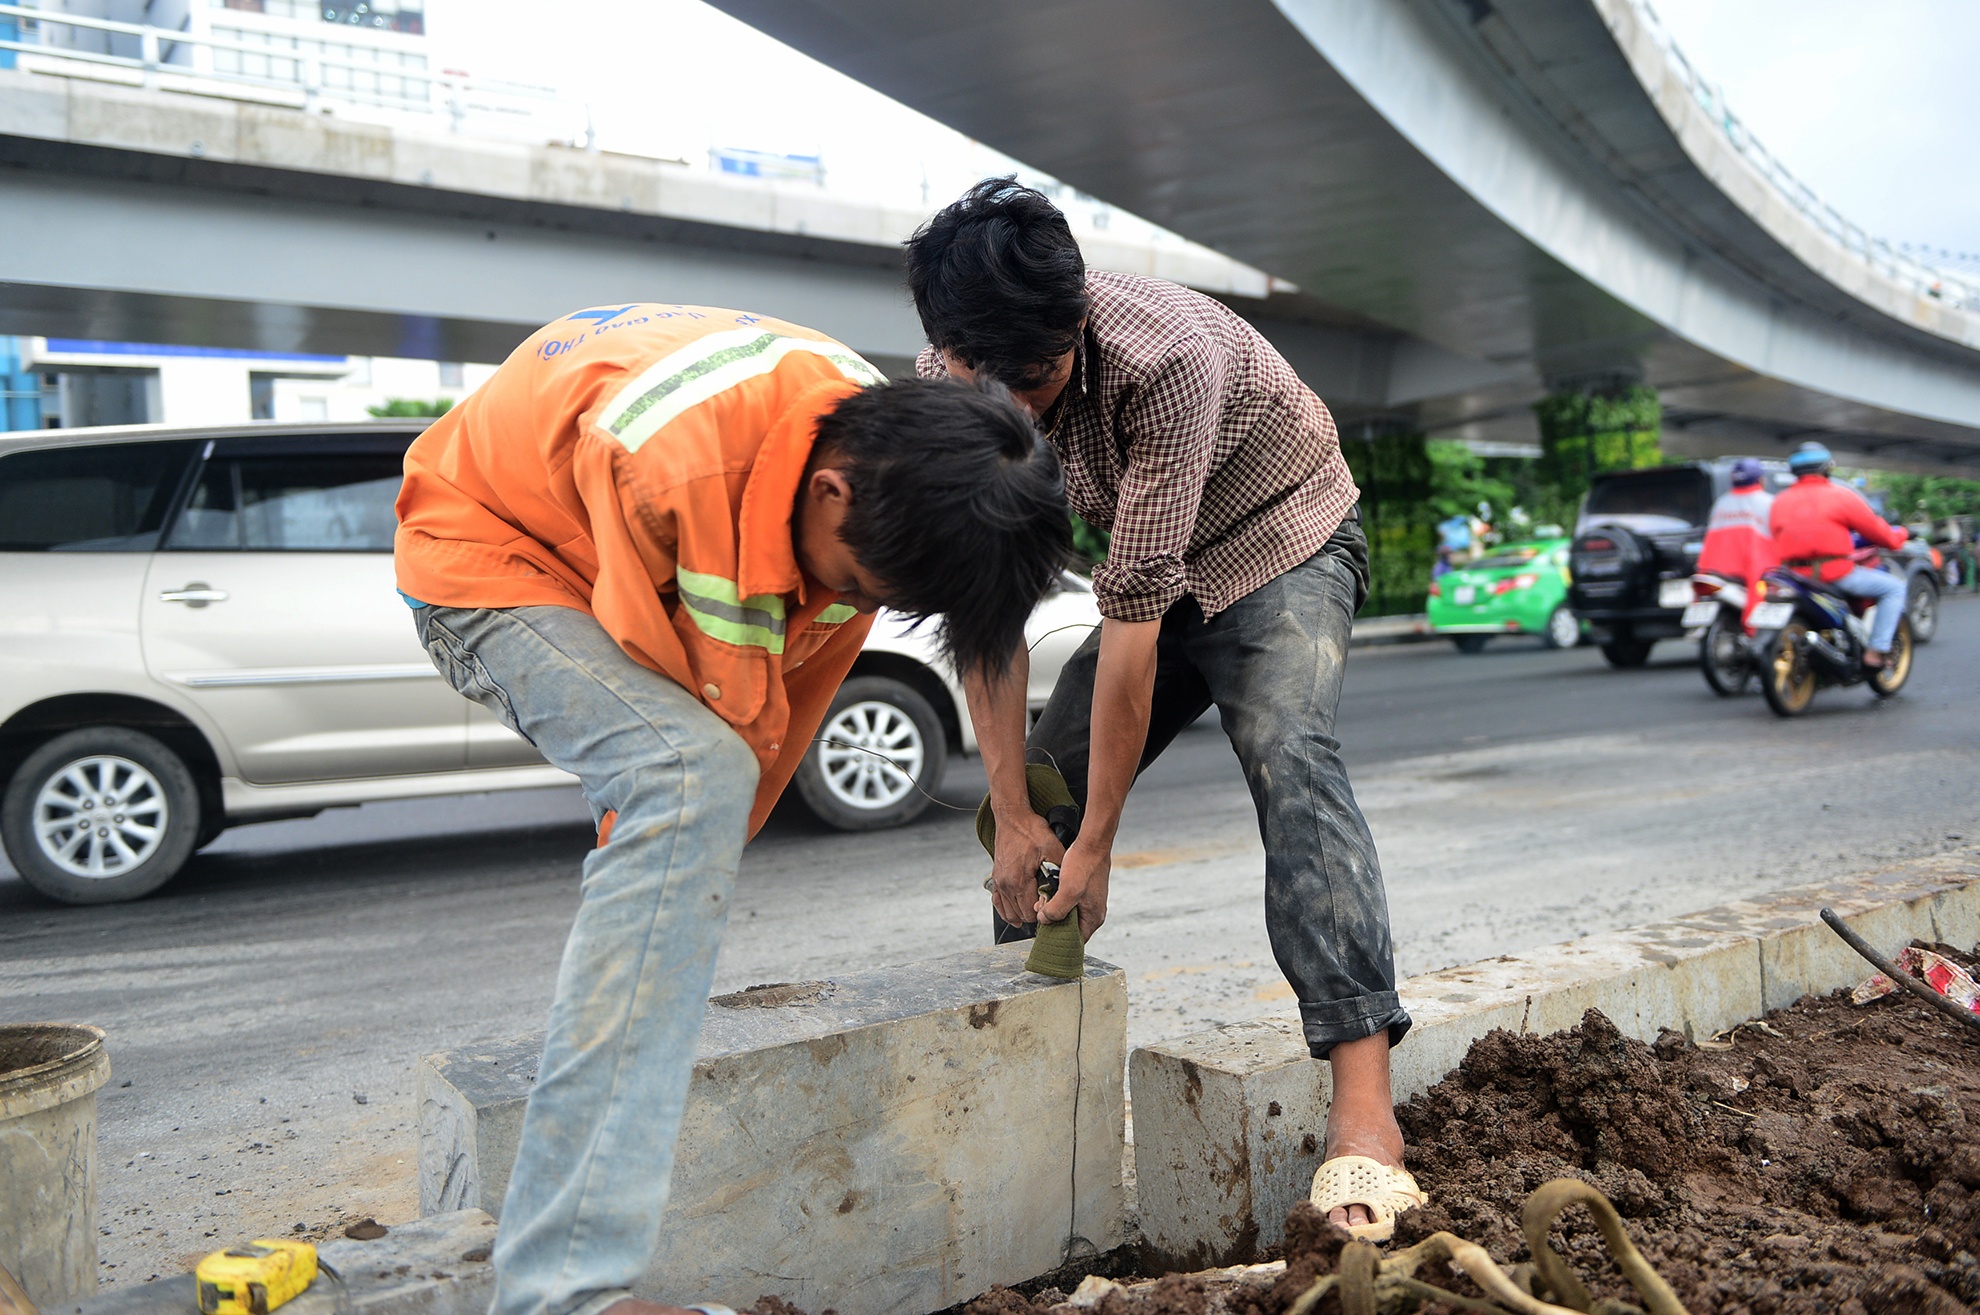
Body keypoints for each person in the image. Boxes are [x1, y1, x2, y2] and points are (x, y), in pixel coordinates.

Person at [394, 303, 1072, 1315]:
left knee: (694, 805)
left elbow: (769, 720)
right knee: (684, 781)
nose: (855, 602)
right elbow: (693, 751)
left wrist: (687, 874)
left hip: (618, 511)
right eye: (858, 582)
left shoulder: (883, 467)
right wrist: (671, 855)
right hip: (488, 548)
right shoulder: (675, 468)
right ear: (833, 492)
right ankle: (562, 1292)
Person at [906, 179, 1422, 1239]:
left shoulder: (1165, 358)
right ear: (950, 353)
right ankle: (1036, 1061)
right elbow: (987, 610)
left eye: (1037, 381)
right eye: (988, 385)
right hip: (1158, 570)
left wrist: (1100, 844)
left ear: (1073, 325)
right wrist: (1019, 813)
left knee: (1288, 748)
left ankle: (1366, 1107)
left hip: (1280, 540)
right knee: (1043, 777)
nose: (1017, 411)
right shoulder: (954, 374)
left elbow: (1134, 629)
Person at [1769, 442, 1909, 666]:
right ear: (1827, 467)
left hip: (1793, 577)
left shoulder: (1778, 501)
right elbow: (1880, 533)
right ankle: (1877, 650)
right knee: (1894, 588)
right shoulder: (1841, 496)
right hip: (1835, 575)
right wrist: (1900, 535)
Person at [1696, 458, 1777, 624]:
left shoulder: (1721, 503)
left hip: (1715, 571)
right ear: (1761, 479)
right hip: (1754, 573)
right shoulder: (1768, 502)